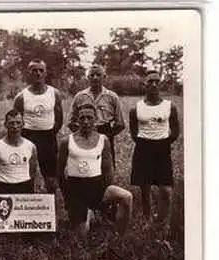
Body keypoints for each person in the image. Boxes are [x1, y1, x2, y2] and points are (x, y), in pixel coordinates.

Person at [58, 103, 133, 237]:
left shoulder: (103, 140)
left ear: (95, 120)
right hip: (76, 190)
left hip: (97, 188)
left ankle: (120, 236)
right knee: (82, 235)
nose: (86, 122)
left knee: (126, 197)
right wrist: (68, 198)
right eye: (82, 118)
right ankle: (86, 214)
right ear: (77, 120)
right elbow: (59, 173)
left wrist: (110, 203)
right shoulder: (66, 141)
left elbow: (108, 171)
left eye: (90, 118)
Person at [129, 71, 180, 230]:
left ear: (161, 84)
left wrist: (163, 142)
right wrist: (146, 143)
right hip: (143, 148)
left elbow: (175, 130)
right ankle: (148, 220)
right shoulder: (136, 108)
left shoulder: (169, 106)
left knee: (166, 189)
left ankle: (164, 222)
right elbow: (133, 132)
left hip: (162, 149)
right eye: (150, 81)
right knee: (145, 187)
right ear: (144, 84)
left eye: (157, 81)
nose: (153, 84)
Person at [13, 59, 63, 193]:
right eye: (34, 70)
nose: (38, 73)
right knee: (26, 173)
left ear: (45, 73)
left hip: (48, 137)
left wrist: (50, 132)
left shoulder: (55, 93)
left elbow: (59, 119)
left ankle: (50, 204)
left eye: (41, 70)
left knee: (51, 176)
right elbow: (16, 121)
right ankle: (27, 201)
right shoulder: (21, 97)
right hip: (28, 136)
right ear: (28, 73)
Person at [67, 64, 125, 169]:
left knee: (106, 166)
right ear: (88, 77)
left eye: (98, 75)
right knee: (85, 165)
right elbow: (70, 121)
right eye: (92, 75)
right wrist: (80, 134)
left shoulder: (112, 97)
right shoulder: (80, 96)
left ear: (104, 77)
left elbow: (120, 124)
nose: (95, 78)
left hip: (105, 131)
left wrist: (107, 136)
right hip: (84, 132)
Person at [0, 109, 39, 195]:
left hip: (25, 187)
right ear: (5, 125)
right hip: (4, 188)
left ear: (23, 124)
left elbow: (32, 173)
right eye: (11, 123)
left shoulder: (31, 147)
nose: (15, 126)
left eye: (18, 123)